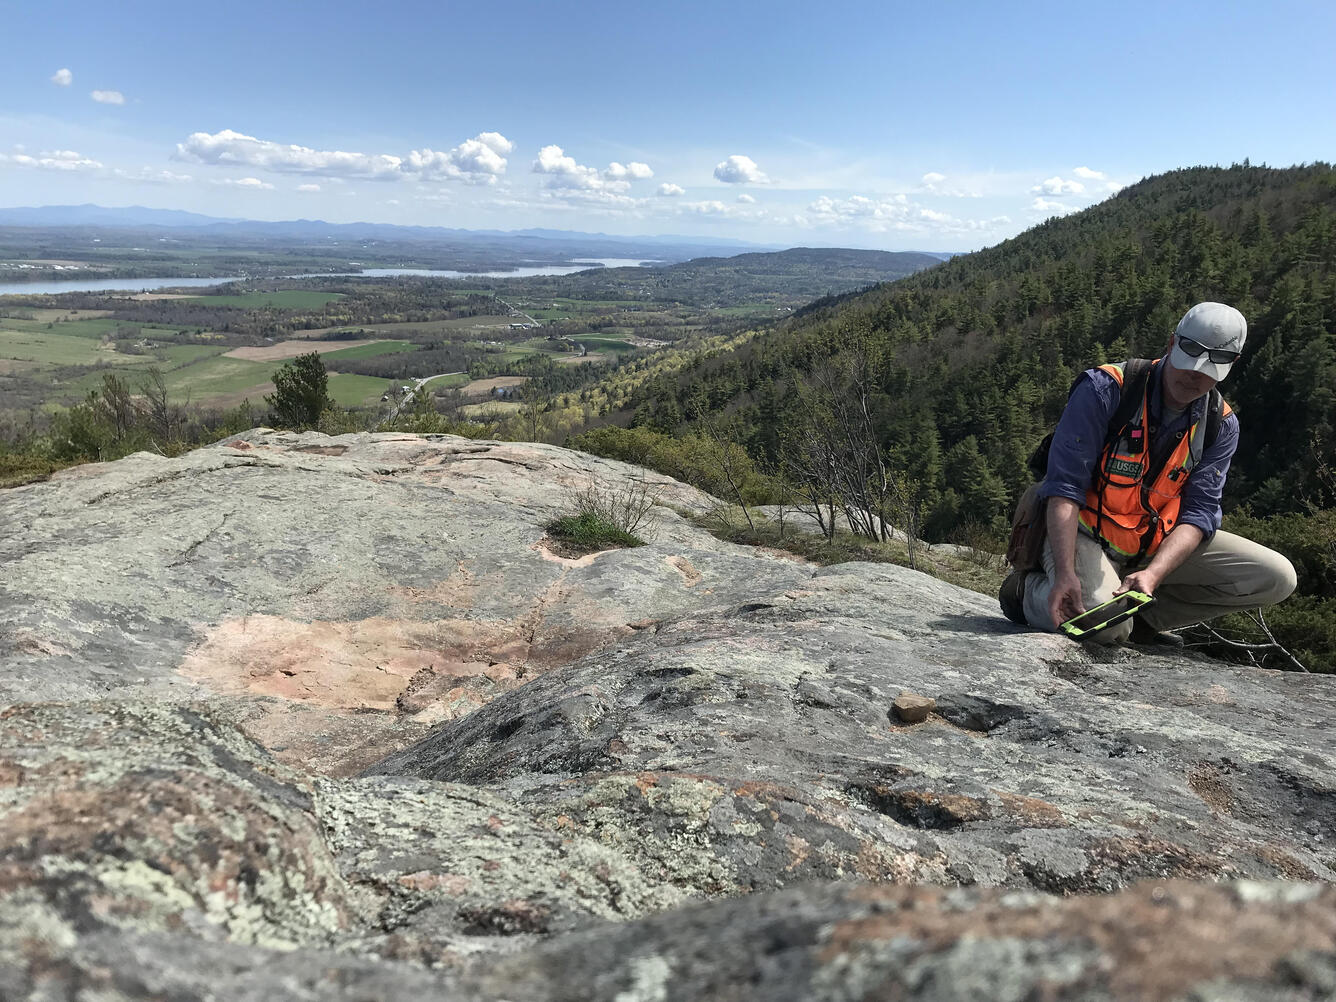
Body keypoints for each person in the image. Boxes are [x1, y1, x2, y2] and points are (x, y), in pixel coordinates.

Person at [999, 302, 1296, 644]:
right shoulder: (1106, 389)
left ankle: (1138, 621)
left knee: (1276, 578)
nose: (1195, 374)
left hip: (1149, 542)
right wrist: (1065, 573)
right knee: (1102, 625)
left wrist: (1154, 574)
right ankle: (1026, 593)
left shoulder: (1220, 424)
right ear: (1172, 343)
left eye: (1212, 364)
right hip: (1081, 530)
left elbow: (1199, 514)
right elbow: (1065, 488)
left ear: (1233, 363)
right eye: (1189, 354)